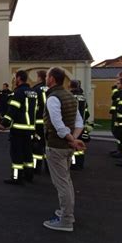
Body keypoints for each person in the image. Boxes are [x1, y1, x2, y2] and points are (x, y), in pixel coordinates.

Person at [42, 67, 85, 232]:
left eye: (47, 76)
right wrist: (74, 139)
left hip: (56, 146)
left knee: (61, 184)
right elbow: (79, 122)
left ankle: (66, 220)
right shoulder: (70, 96)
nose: (46, 78)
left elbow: (57, 125)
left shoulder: (53, 98)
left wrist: (71, 139)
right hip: (67, 147)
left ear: (52, 79)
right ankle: (66, 211)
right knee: (66, 181)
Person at [0, 71, 37, 185]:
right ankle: (29, 175)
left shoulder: (18, 92)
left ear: (19, 78)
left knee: (16, 154)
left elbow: (12, 110)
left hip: (19, 129)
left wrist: (3, 124)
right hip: (30, 129)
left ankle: (16, 177)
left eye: (15, 78)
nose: (14, 80)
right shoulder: (33, 92)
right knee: (28, 153)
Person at [69, 79, 91, 170]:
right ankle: (80, 163)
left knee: (73, 144)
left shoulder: (71, 97)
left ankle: (74, 164)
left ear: (70, 86)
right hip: (81, 124)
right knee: (80, 144)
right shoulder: (82, 97)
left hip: (73, 125)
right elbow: (87, 112)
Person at [32, 70, 49, 173]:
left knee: (37, 145)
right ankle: (49, 168)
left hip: (38, 122)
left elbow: (33, 107)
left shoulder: (35, 90)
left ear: (40, 78)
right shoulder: (51, 89)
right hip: (49, 123)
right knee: (47, 145)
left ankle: (36, 167)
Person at [110, 71, 122, 157]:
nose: (116, 80)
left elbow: (115, 96)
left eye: (117, 78)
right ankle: (119, 149)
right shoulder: (119, 88)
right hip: (116, 112)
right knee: (117, 132)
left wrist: (114, 88)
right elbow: (114, 98)